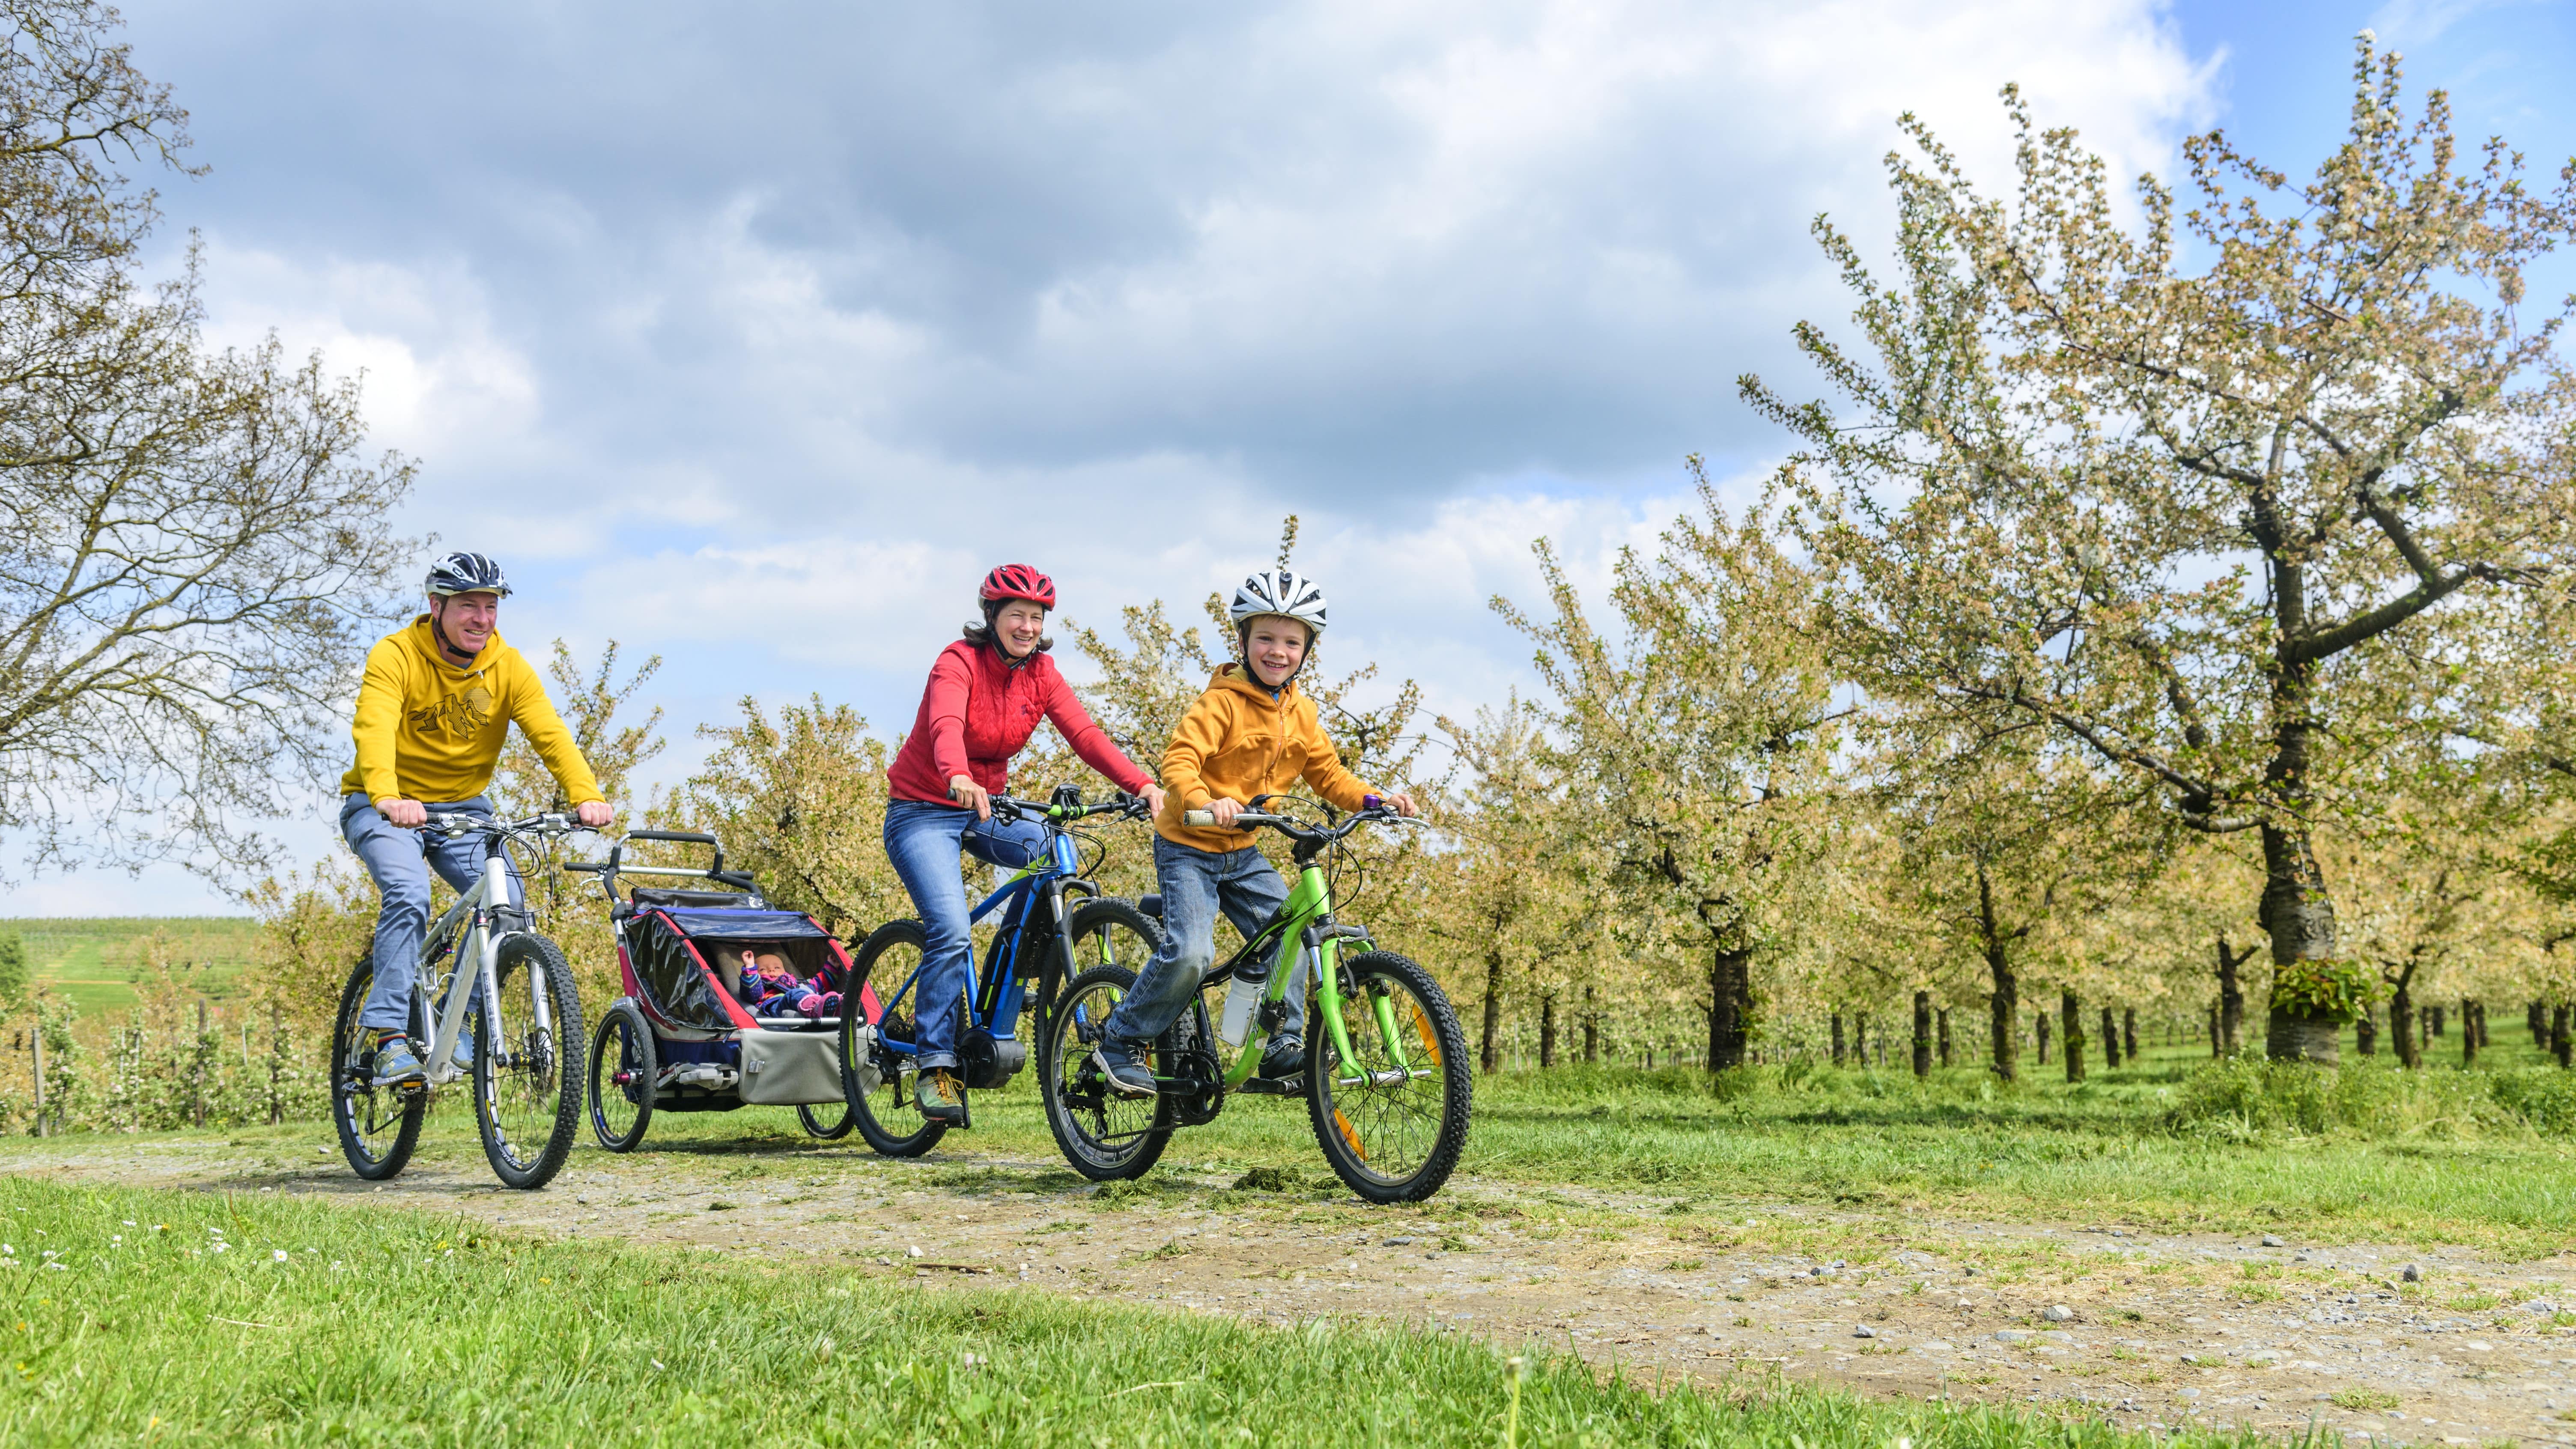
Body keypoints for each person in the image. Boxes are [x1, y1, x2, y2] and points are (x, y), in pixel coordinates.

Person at [1093, 568, 1416, 1096]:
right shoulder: (1220, 702)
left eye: (1292, 641)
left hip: (1243, 850)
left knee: (1292, 930)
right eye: (1265, 637)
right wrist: (1203, 801)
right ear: (1242, 640)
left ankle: (1281, 1044)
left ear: (1307, 650)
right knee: (1191, 953)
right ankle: (1121, 1040)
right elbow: (1180, 763)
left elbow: (1329, 775)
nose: (1277, 651)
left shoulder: (1302, 712)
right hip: (1189, 846)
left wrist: (1374, 800)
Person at [883, 564, 1166, 1124]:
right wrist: (957, 775)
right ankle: (937, 1061)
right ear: (992, 618)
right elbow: (943, 723)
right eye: (1017, 614)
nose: (1027, 625)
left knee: (1057, 854)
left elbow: (1084, 734)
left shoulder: (1043, 674)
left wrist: (1142, 783)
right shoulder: (957, 662)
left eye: (1036, 617)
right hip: (923, 811)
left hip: (989, 810)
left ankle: (1011, 973)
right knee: (952, 930)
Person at [340, 552, 615, 1085]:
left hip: (463, 813)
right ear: (436, 606)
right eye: (469, 606)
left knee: (509, 906)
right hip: (385, 807)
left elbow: (550, 734)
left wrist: (586, 794)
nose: (482, 619)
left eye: (491, 607)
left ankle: (455, 1018)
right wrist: (388, 797)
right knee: (408, 893)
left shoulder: (508, 666)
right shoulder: (395, 655)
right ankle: (390, 1037)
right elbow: (372, 729)